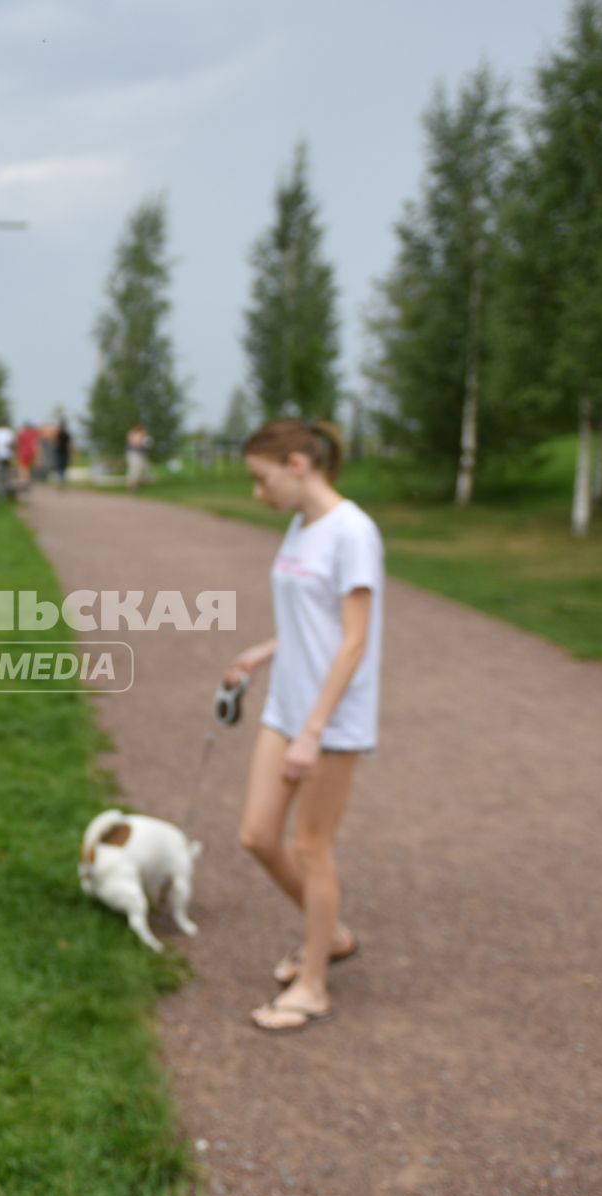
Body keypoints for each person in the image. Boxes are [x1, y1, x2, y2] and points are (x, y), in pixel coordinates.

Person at [221, 418, 383, 1033]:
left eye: (260, 480)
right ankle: (330, 932)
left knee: (311, 847)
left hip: (331, 718)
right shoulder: (300, 526)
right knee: (259, 836)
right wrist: (262, 654)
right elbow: (308, 621)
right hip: (286, 705)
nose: (257, 494)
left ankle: (314, 984)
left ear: (296, 464)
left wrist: (315, 730)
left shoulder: (352, 532)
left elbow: (353, 642)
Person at [125, 423, 151, 488]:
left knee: (142, 468)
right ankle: (132, 484)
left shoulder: (144, 436)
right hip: (134, 454)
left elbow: (146, 444)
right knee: (135, 469)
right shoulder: (133, 434)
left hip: (140, 454)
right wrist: (141, 442)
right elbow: (134, 444)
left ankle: (139, 482)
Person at [16, 423, 40, 489]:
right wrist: (37, 454)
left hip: (23, 452)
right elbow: (35, 444)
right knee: (28, 468)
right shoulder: (33, 433)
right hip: (31, 453)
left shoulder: (21, 433)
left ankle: (23, 481)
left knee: (22, 467)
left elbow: (18, 443)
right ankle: (27, 481)